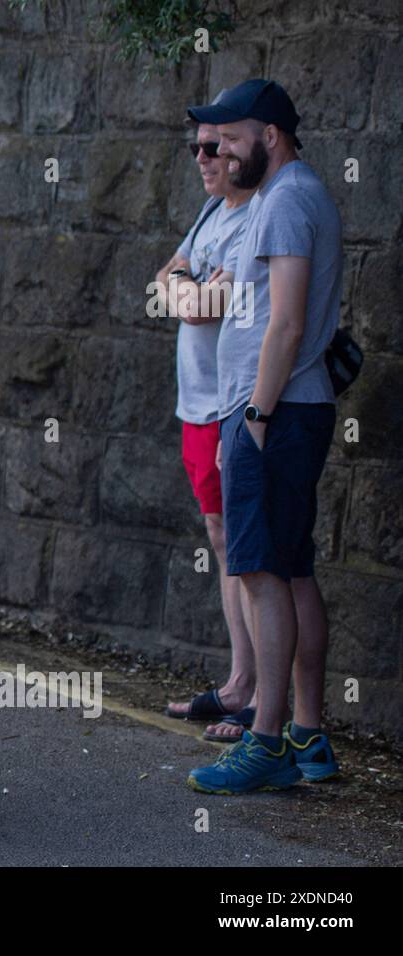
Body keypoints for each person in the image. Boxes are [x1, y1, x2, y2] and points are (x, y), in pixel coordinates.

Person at [183, 80, 343, 794]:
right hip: (278, 411)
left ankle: (269, 738)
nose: (219, 149)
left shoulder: (286, 200)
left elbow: (285, 322)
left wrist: (253, 416)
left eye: (231, 137)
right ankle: (307, 732)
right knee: (290, 568)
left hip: (271, 414)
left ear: (269, 135)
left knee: (260, 573)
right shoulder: (285, 197)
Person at [157, 95, 259, 741]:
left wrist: (187, 289)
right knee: (223, 542)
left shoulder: (255, 220)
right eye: (196, 148)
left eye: (212, 147)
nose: (202, 158)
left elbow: (197, 305)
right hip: (196, 405)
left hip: (229, 404)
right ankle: (237, 680)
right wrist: (187, 283)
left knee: (247, 553)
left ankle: (255, 695)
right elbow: (167, 279)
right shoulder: (210, 212)